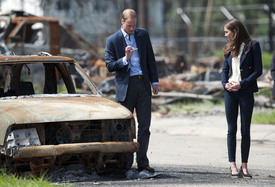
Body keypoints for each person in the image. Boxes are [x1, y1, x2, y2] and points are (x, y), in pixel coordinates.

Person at [105, 9, 159, 172]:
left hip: (143, 84)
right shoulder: (112, 40)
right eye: (129, 26)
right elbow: (109, 65)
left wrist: (154, 81)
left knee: (144, 126)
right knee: (124, 127)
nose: (132, 29)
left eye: (134, 26)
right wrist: (125, 59)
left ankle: (142, 163)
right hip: (126, 87)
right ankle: (123, 162)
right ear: (122, 22)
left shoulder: (142, 35)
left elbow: (150, 58)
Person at [221, 19, 262, 178]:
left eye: (227, 32)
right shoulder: (229, 47)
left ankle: (244, 165)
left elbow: (258, 70)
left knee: (245, 130)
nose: (225, 35)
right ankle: (232, 164)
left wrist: (242, 84)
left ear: (235, 31)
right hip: (230, 92)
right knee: (232, 130)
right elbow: (225, 70)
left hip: (245, 92)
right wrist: (225, 84)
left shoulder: (253, 46)